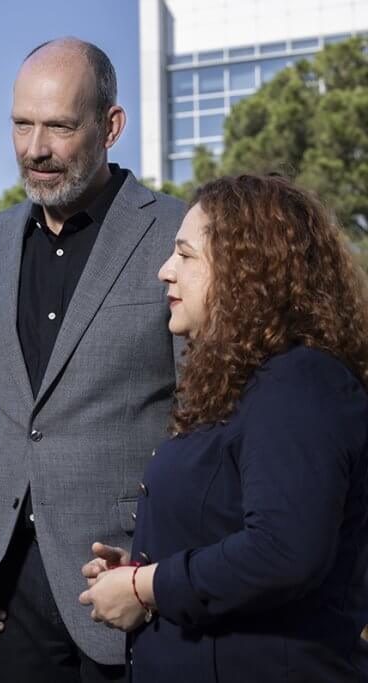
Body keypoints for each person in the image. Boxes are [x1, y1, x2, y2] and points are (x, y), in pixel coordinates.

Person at [0, 37, 186, 682]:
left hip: (133, 586)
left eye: (60, 127)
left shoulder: (178, 234)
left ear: (111, 126)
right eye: (21, 123)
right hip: (4, 596)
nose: (35, 148)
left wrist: (163, 575)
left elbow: (207, 415)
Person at [80, 175, 368, 681]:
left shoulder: (300, 384)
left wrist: (146, 586)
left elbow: (282, 551)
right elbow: (231, 524)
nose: (165, 272)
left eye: (185, 256)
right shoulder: (249, 384)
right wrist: (143, 566)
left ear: (245, 271)